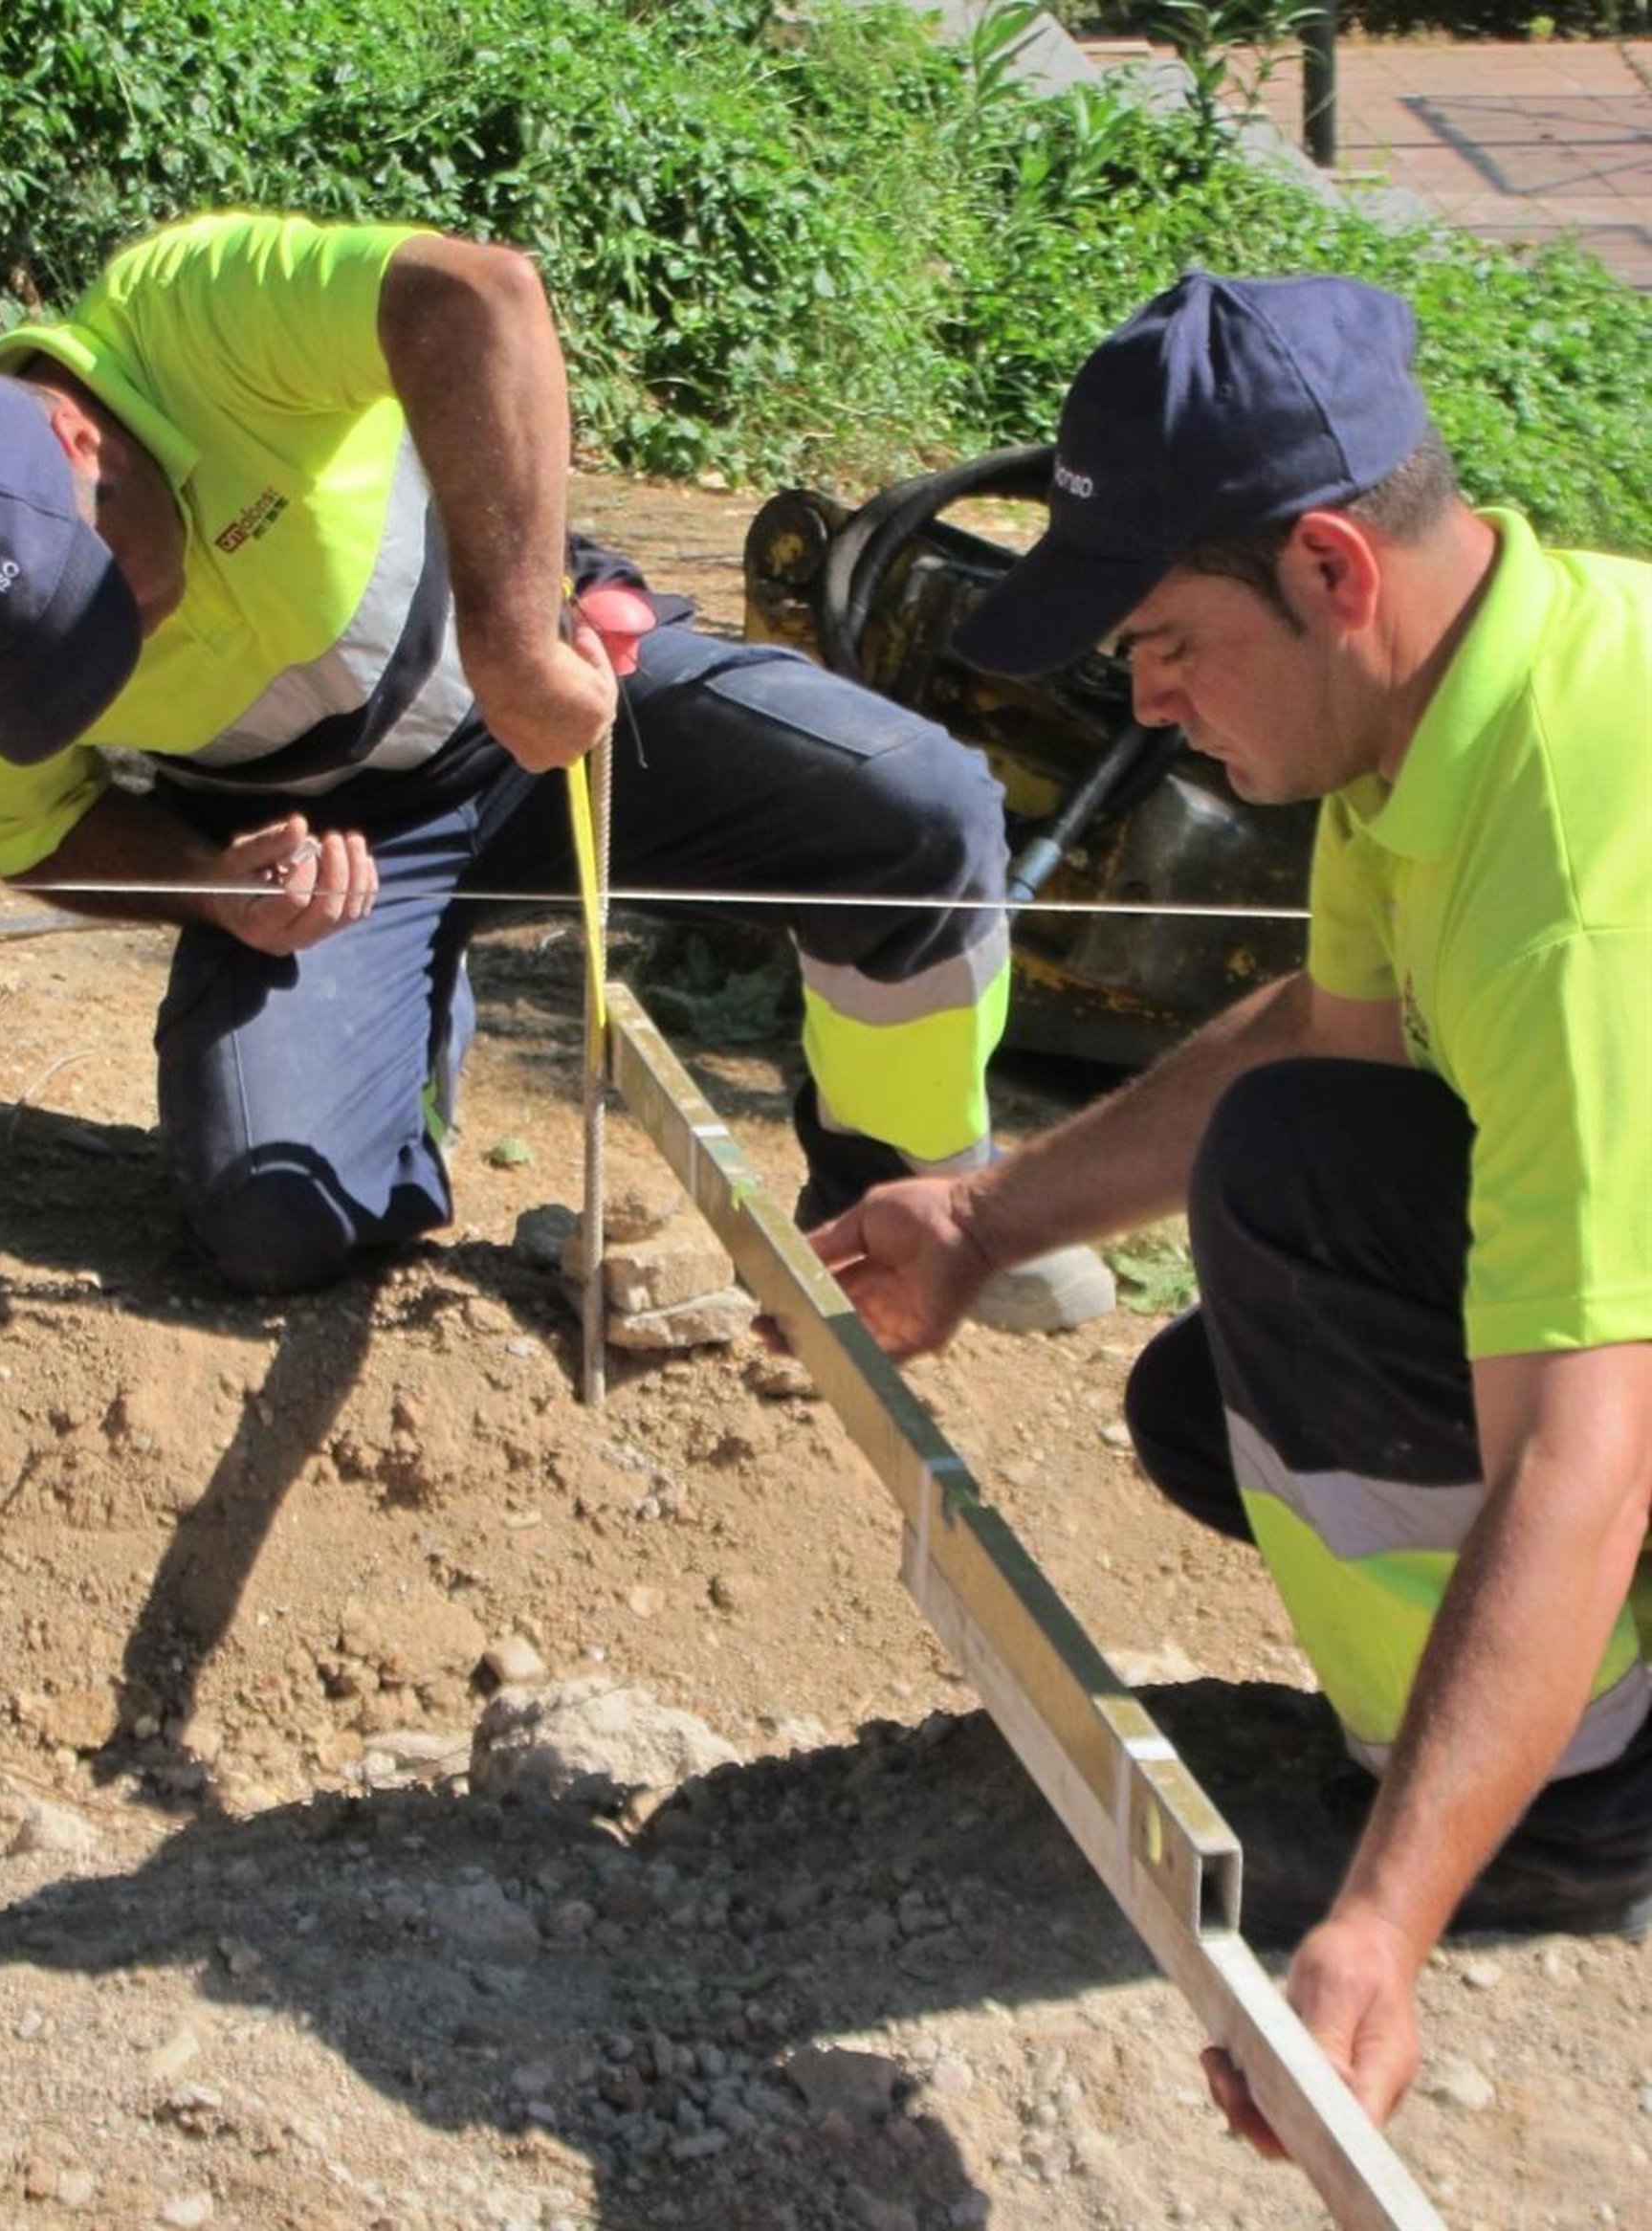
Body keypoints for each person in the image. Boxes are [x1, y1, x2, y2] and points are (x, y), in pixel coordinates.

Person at [807, 270, 1652, 2151]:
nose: (1147, 697)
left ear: (1333, 569)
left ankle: (1585, 1814)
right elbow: (1328, 1030)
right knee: (1216, 1395)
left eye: (1171, 639)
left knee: (1304, 1199)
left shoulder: (1584, 877)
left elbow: (1585, 1453)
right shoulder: (1443, 706)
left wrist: (1382, 1926)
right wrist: (988, 1219)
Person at [0, 209, 1011, 1292]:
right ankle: (403, 1060)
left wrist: (517, 647)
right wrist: (213, 887)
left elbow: (476, 298)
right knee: (271, 1220)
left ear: (80, 437)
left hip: (554, 711)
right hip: (335, 854)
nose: (118, 646)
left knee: (915, 812)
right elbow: (32, 828)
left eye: (98, 596)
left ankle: (908, 1204)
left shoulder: (190, 313)